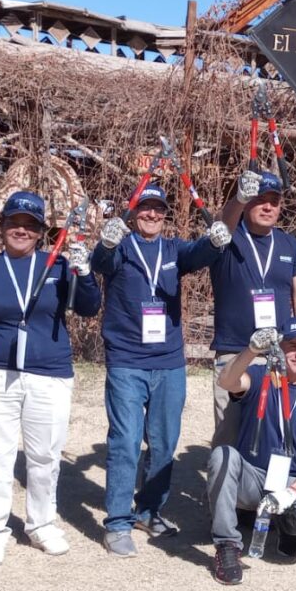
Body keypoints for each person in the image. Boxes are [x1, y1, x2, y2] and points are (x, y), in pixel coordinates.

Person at [0, 191, 102, 566]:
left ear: (40, 232)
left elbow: (89, 306)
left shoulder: (57, 265)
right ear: (3, 227)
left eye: (30, 225)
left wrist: (84, 272)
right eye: (14, 223)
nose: (22, 230)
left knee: (45, 455)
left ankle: (41, 524)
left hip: (49, 374)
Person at [91, 185, 232, 557]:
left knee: (165, 443)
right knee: (124, 443)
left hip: (169, 363)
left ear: (166, 215)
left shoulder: (173, 250)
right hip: (126, 361)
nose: (151, 215)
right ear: (133, 212)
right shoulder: (121, 247)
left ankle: (149, 510)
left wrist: (215, 241)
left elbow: (200, 253)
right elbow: (98, 264)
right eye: (144, 208)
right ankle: (118, 522)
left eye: (158, 210)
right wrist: (104, 244)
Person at [208, 317, 296, 585]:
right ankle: (227, 546)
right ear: (280, 346)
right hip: (252, 475)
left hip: (291, 480)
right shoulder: (260, 375)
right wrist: (251, 351)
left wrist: (292, 492)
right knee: (222, 455)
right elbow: (227, 381)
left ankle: (286, 524)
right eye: (292, 345)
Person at [211, 170, 296, 446]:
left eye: (274, 201)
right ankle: (222, 489)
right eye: (260, 200)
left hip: (278, 355)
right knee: (229, 435)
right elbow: (220, 224)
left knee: (271, 435)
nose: (268, 207)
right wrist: (239, 199)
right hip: (235, 352)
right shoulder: (228, 238)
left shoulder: (290, 245)